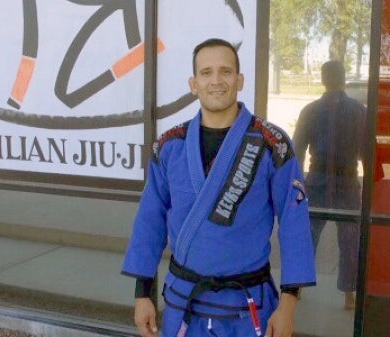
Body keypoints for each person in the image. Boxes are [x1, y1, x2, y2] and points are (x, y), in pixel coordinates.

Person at [121, 38, 316, 337]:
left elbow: (294, 224)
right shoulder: (170, 145)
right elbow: (150, 221)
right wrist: (142, 294)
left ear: (239, 80)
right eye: (206, 73)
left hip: (248, 304)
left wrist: (288, 304)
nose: (216, 81)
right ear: (193, 83)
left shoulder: (270, 144)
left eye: (225, 72)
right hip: (183, 302)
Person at [292, 60, 371, 310]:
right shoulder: (359, 110)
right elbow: (367, 153)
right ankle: (349, 295)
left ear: (324, 80)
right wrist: (368, 186)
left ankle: (297, 287)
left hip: (316, 181)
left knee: (308, 235)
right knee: (349, 240)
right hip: (347, 180)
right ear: (344, 79)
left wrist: (297, 186)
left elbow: (297, 152)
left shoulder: (310, 110)